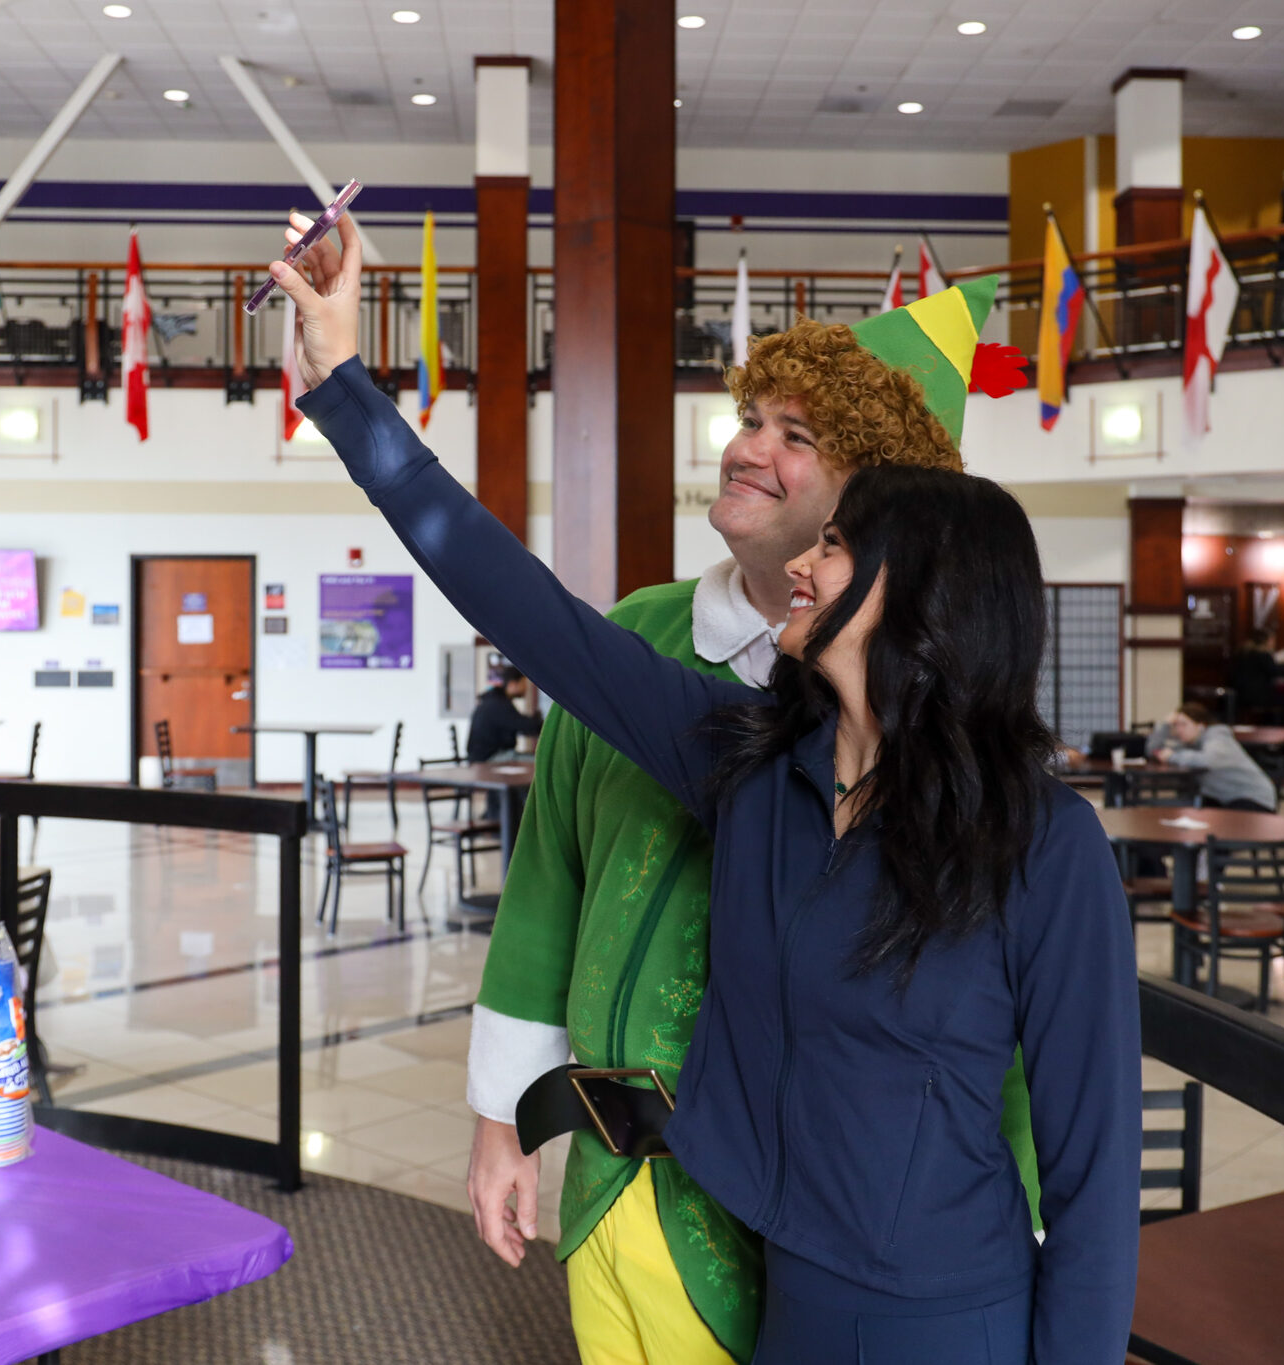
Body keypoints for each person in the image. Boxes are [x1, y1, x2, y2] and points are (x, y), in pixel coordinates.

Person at [273, 219, 1138, 1363]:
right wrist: (342, 388)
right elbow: (515, 597)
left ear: (917, 596)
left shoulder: (1040, 843)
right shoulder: (748, 772)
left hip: (952, 1317)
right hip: (794, 1302)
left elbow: (1091, 1169)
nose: (804, 565)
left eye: (835, 547)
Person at [464, 305, 1040, 1353]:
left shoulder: (907, 743)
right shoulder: (639, 634)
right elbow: (547, 882)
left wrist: (1019, 1236)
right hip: (603, 1183)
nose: (745, 448)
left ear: (876, 507)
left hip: (780, 1225)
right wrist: (502, 1117)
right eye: (750, 418)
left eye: (795, 435)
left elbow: (983, 1031)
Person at [1147, 703, 1277, 812]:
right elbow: (1153, 750)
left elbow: (1208, 760)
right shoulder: (1189, 743)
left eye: (1184, 724)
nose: (1179, 729)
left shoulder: (1217, 736)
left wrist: (1173, 756)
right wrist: (1164, 725)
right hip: (1220, 797)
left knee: (1212, 824)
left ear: (1200, 725)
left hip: (1252, 797)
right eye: (1176, 725)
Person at [465, 666, 542, 764]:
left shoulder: (494, 700)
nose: (526, 688)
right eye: (524, 683)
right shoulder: (498, 704)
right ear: (512, 684)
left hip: (482, 757)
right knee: (540, 762)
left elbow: (519, 724)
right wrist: (542, 724)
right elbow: (524, 726)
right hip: (488, 759)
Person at [1228, 630, 1284, 723]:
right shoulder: (1263, 654)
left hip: (1240, 693)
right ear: (1267, 640)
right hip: (1257, 696)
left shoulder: (1242, 652)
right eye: (1272, 640)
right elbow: (1274, 671)